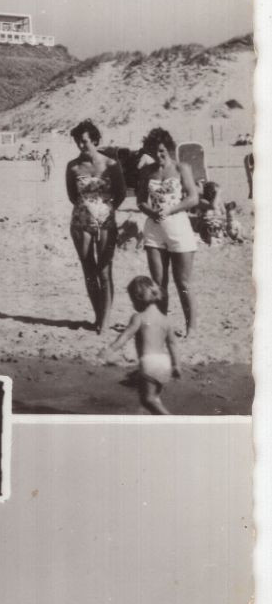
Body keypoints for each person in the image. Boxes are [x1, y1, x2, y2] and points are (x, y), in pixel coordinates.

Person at [136, 127, 201, 336]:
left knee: (183, 282)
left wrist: (170, 209)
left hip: (179, 227)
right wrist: (151, 212)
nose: (158, 155)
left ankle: (191, 327)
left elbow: (193, 198)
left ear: (170, 149)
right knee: (158, 283)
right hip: (154, 230)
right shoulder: (147, 171)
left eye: (162, 151)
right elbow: (140, 201)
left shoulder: (182, 168)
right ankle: (162, 327)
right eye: (154, 151)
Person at [64, 119, 126, 333]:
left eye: (85, 141)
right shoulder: (72, 166)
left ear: (95, 140)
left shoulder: (111, 164)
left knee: (105, 271)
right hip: (81, 223)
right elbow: (73, 196)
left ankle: (106, 320)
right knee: (89, 271)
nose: (81, 146)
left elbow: (121, 194)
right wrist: (88, 211)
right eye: (78, 142)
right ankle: (98, 317)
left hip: (106, 222)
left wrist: (104, 211)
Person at [102, 275, 181, 415]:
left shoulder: (138, 317)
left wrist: (110, 349)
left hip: (149, 363)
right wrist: (177, 365)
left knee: (147, 400)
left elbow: (125, 336)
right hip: (164, 364)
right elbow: (173, 344)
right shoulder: (165, 320)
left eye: (132, 300)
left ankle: (171, 421)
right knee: (154, 398)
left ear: (137, 299)